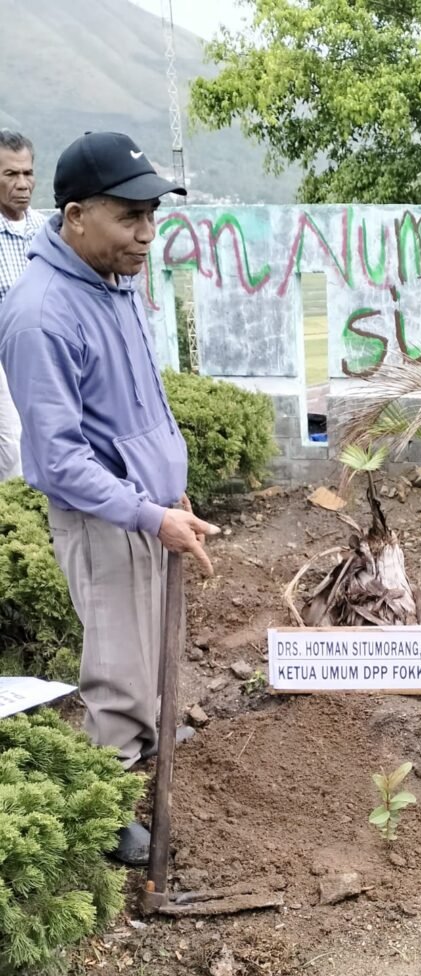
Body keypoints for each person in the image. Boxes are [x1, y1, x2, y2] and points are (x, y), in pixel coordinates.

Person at [0, 131, 220, 864]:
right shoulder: (40, 313)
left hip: (147, 507)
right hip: (105, 517)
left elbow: (136, 400)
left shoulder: (112, 280)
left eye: (151, 214)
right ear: (75, 216)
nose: (147, 233)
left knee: (150, 642)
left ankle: (146, 740)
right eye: (130, 217)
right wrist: (147, 512)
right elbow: (60, 459)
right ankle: (107, 798)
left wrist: (167, 486)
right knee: (119, 666)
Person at [0, 130, 46, 480]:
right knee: (12, 446)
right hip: (4, 358)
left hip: (45, 353)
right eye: (10, 174)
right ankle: (14, 507)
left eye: (27, 173)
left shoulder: (48, 232)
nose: (22, 183)